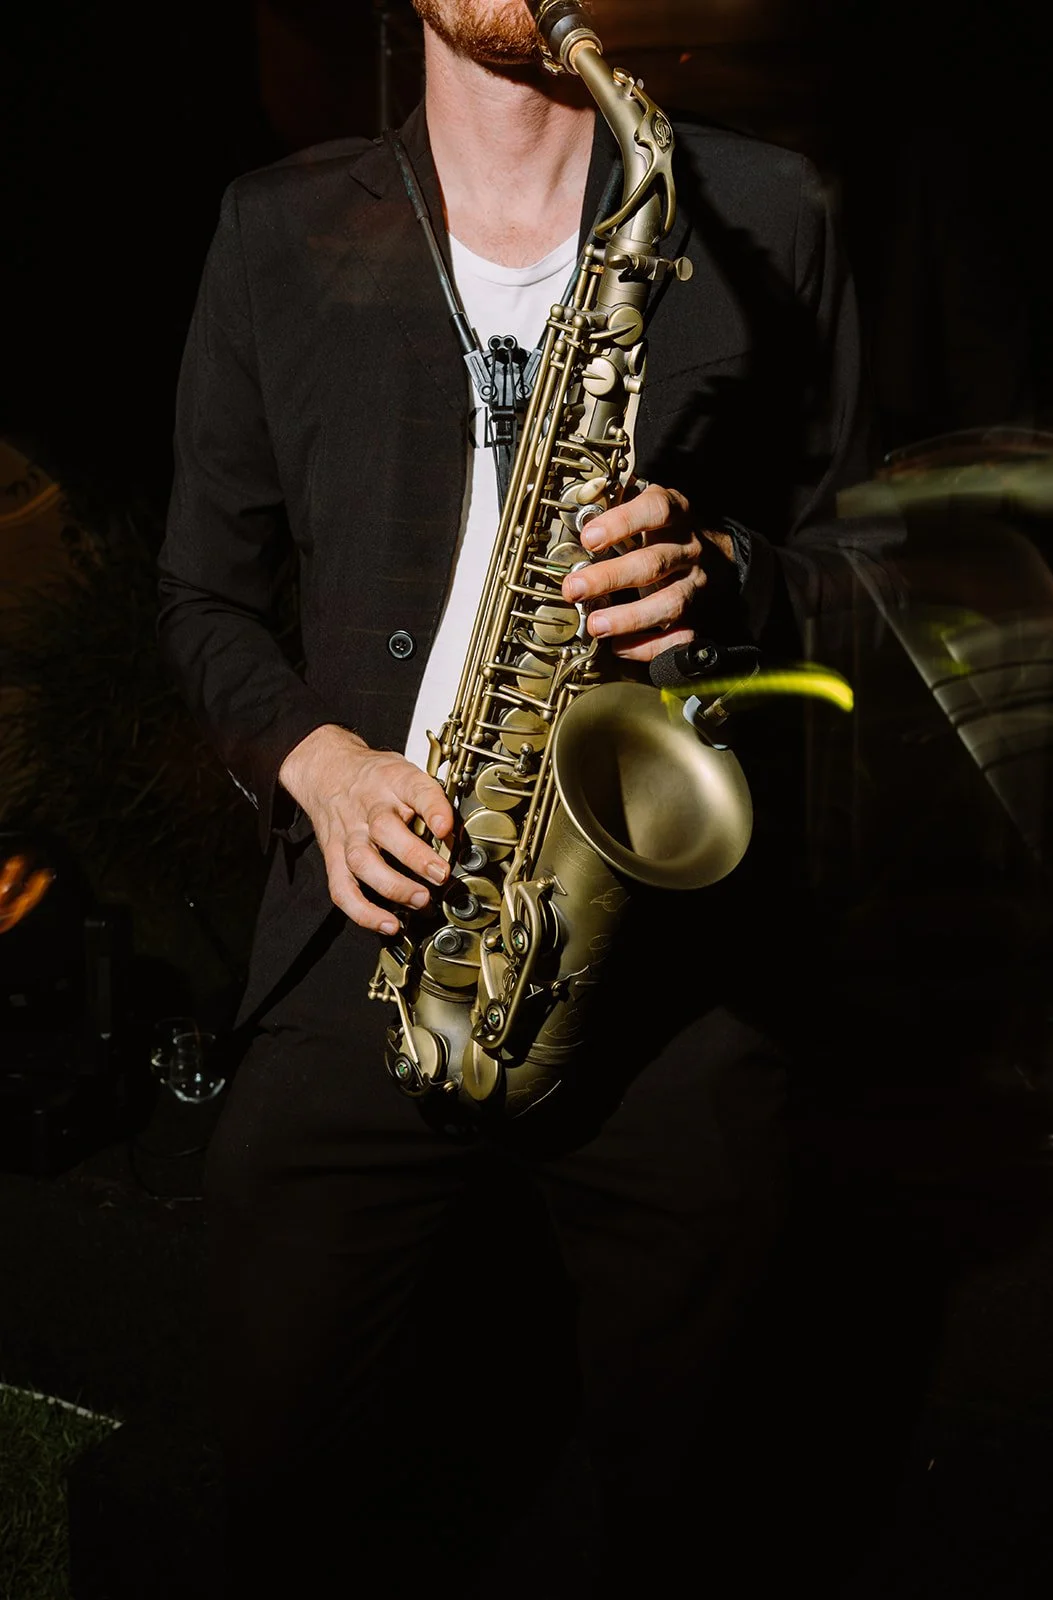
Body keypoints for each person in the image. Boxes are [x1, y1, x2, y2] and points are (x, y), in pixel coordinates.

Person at [158, 2, 880, 1593]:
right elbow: (201, 599)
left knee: (699, 1499)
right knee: (282, 1482)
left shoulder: (768, 210)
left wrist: (731, 570)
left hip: (673, 964)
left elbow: (863, 583)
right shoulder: (276, 229)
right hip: (374, 923)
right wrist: (322, 764)